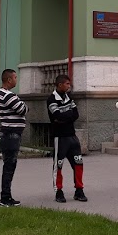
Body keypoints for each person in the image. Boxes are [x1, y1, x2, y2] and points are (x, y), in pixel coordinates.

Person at [47, 74, 88, 203]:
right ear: (60, 85)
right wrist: (66, 116)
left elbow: (76, 114)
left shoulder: (68, 97)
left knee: (78, 163)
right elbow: (57, 116)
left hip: (72, 136)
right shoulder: (52, 99)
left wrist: (65, 117)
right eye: (67, 84)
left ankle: (79, 190)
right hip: (60, 137)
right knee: (58, 165)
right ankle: (59, 192)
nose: (69, 86)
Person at [0, 68, 27, 207]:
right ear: (9, 80)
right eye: (15, 77)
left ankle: (7, 196)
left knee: (9, 166)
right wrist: (23, 106)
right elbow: (23, 109)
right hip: (11, 135)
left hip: (9, 134)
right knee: (9, 166)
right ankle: (5, 198)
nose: (16, 80)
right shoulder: (8, 95)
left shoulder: (4, 94)